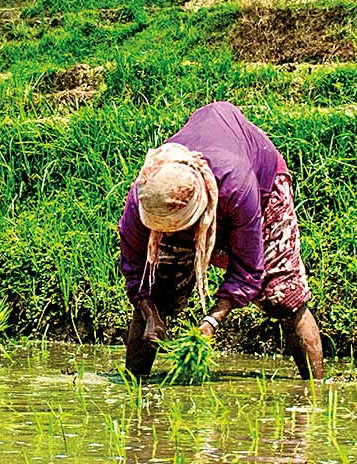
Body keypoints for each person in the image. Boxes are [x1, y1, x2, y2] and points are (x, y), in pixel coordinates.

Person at [119, 100, 324, 380]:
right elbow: (135, 270)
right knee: (156, 288)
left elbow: (249, 269)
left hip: (260, 187)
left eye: (183, 226)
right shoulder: (145, 198)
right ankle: (134, 389)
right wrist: (150, 312)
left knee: (283, 295)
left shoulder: (237, 186)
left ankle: (316, 390)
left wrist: (212, 320)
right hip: (194, 195)